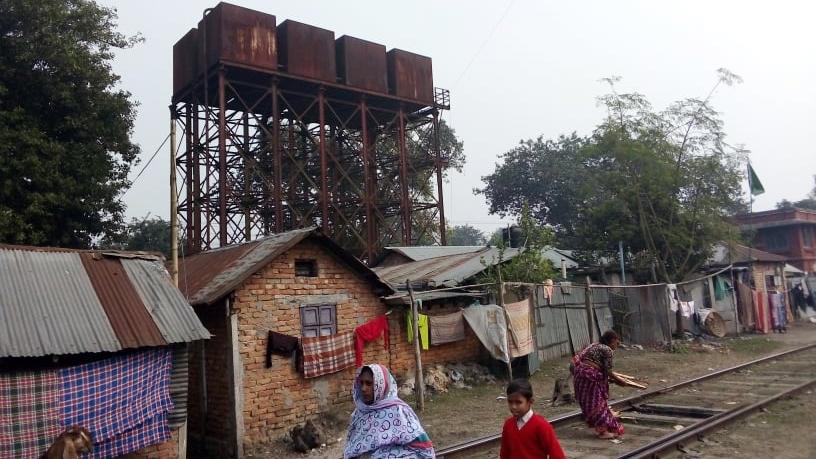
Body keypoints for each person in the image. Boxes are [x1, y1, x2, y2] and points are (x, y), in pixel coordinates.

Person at [344, 364, 435, 459]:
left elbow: (422, 447)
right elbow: (352, 448)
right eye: (361, 383)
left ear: (381, 385)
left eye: (369, 383)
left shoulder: (398, 411)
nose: (363, 388)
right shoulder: (359, 413)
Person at [571, 330, 626, 439]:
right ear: (611, 341)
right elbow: (608, 372)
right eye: (616, 341)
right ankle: (603, 432)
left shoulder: (594, 345)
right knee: (598, 404)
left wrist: (612, 379)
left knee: (591, 405)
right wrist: (620, 381)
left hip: (580, 376)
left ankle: (603, 428)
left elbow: (579, 360)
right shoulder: (607, 350)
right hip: (590, 378)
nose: (617, 344)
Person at [500, 378, 566, 459]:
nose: (513, 406)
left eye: (518, 402)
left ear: (530, 401)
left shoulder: (541, 426)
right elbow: (504, 453)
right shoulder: (508, 425)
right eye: (510, 402)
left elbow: (557, 454)